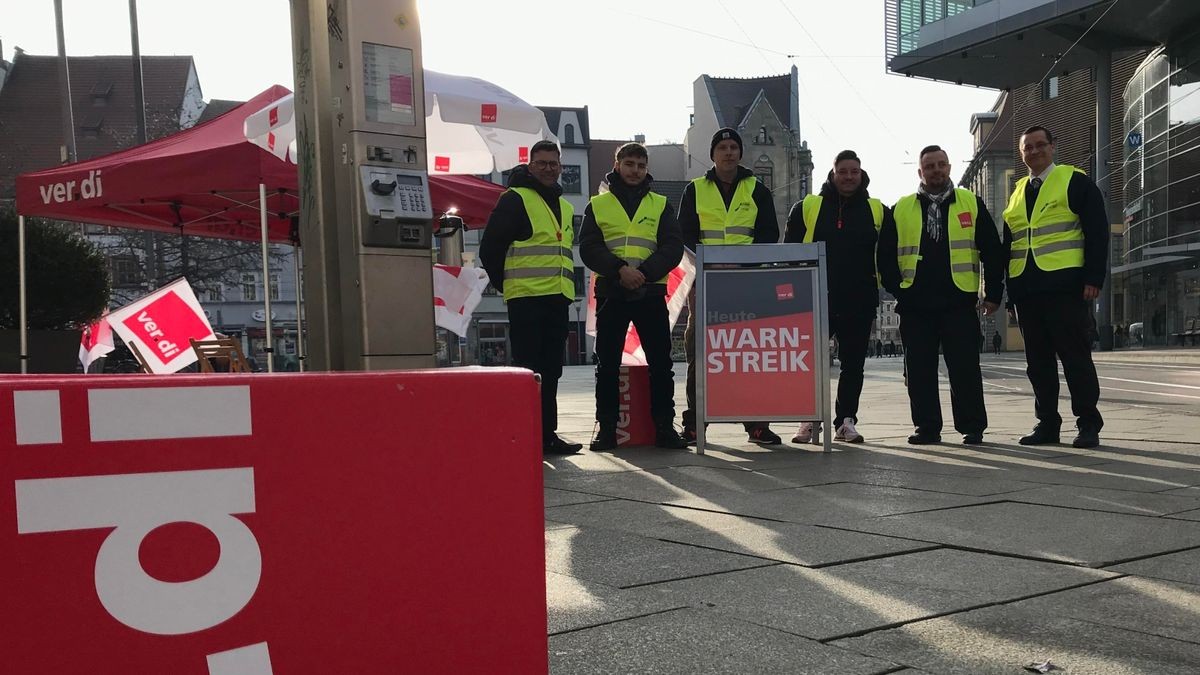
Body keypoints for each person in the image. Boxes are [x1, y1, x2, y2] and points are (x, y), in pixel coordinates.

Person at [877, 145, 1005, 445]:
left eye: (941, 165)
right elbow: (884, 256)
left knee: (965, 368)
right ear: (920, 172)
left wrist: (994, 292)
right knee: (919, 371)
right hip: (916, 305)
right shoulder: (902, 207)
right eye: (929, 166)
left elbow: (992, 250)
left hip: (958, 302)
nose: (936, 171)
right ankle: (927, 426)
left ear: (949, 168)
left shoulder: (970, 203)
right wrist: (900, 289)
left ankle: (972, 426)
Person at [1002, 126, 1108, 449]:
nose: (1033, 152)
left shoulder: (1073, 181)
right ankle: (1047, 423)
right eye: (1027, 148)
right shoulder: (1018, 190)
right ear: (1022, 154)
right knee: (1038, 364)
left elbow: (1097, 229)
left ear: (1053, 146)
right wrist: (1010, 291)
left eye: (1039, 145)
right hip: (1028, 290)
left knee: (1075, 358)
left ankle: (1088, 423)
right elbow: (1011, 243)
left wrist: (1093, 277)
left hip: (1066, 287)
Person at [579, 142, 687, 451]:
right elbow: (588, 246)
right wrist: (619, 270)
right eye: (629, 164)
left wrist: (644, 273)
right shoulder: (597, 205)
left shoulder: (660, 204)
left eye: (641, 165)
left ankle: (665, 427)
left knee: (660, 364)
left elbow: (672, 246)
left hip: (650, 291)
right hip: (613, 290)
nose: (635, 170)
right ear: (617, 166)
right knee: (608, 364)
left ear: (646, 169)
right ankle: (608, 429)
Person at [678, 127, 782, 446]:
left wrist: (743, 264)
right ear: (712, 154)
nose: (728, 152)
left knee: (747, 353)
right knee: (700, 352)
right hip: (706, 282)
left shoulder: (757, 188)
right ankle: (696, 423)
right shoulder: (695, 189)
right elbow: (684, 235)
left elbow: (768, 233)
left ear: (740, 153)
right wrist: (710, 264)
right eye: (722, 147)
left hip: (745, 282)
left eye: (734, 147)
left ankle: (756, 425)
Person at [479, 140, 584, 455]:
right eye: (542, 163)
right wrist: (506, 285)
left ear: (560, 167)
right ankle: (525, 434)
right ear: (529, 165)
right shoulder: (515, 199)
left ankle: (546, 435)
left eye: (554, 163)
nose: (549, 168)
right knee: (529, 370)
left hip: (558, 297)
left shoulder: (564, 206)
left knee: (551, 369)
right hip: (526, 299)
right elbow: (490, 249)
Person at [785, 150, 888, 444]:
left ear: (861, 173)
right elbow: (789, 251)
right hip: (815, 297)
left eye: (854, 171)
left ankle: (846, 421)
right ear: (832, 174)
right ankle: (808, 420)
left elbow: (888, 253)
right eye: (842, 171)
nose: (848, 177)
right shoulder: (807, 207)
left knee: (853, 364)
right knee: (809, 362)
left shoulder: (877, 209)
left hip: (860, 298)